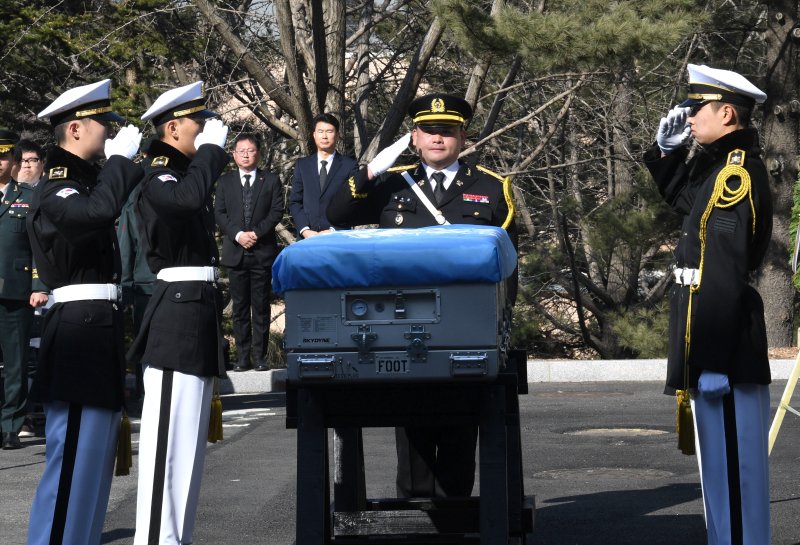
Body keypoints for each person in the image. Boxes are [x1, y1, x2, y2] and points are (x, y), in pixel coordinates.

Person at [327, 93, 517, 499]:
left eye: (446, 131)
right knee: (410, 430)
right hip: (401, 327)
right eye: (428, 131)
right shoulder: (391, 184)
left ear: (463, 137)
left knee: (462, 433)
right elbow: (335, 214)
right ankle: (415, 520)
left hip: (466, 329)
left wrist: (500, 326)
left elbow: (507, 267)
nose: (437, 138)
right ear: (414, 137)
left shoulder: (491, 187)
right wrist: (370, 170)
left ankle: (457, 523)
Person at [644, 64, 772, 545]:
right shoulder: (721, 167)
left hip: (724, 349)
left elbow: (721, 268)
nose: (688, 115)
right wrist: (666, 154)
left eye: (697, 107)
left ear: (726, 111)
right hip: (712, 340)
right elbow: (685, 200)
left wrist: (712, 360)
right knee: (718, 475)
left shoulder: (735, 175)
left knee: (733, 475)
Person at [26, 79, 143, 545]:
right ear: (76, 128)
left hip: (98, 327)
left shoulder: (85, 181)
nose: (109, 134)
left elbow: (112, 198)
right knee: (72, 456)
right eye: (102, 125)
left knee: (92, 463)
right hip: (76, 331)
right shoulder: (57, 186)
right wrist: (118, 161)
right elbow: (94, 214)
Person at [127, 81, 230, 545]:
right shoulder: (159, 178)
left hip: (197, 311)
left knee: (187, 451)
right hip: (176, 315)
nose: (207, 130)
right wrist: (210, 155)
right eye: (199, 123)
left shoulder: (184, 177)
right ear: (173, 127)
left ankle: (176, 539)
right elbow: (184, 203)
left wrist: (204, 157)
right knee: (166, 449)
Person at [214, 133, 284, 371]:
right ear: (234, 155)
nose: (245, 154)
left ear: (259, 153)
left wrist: (255, 233)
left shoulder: (271, 180)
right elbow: (220, 214)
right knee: (240, 309)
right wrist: (238, 235)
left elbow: (276, 212)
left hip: (262, 250)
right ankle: (242, 358)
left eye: (250, 150)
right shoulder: (224, 182)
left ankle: (260, 357)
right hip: (235, 252)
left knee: (261, 307)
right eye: (241, 150)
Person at [0, 130, 48, 450]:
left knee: (16, 363)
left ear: (13, 161)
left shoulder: (28, 197)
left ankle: (10, 426)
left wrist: (38, 284)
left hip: (16, 291)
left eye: (3, 155)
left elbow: (38, 246)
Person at [289, 113, 356, 237]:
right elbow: (295, 202)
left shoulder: (349, 166)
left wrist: (334, 230)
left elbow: (352, 203)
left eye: (329, 131)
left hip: (337, 236)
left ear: (337, 135)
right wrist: (305, 230)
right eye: (320, 131)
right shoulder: (302, 165)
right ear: (314, 135)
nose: (324, 136)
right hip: (307, 237)